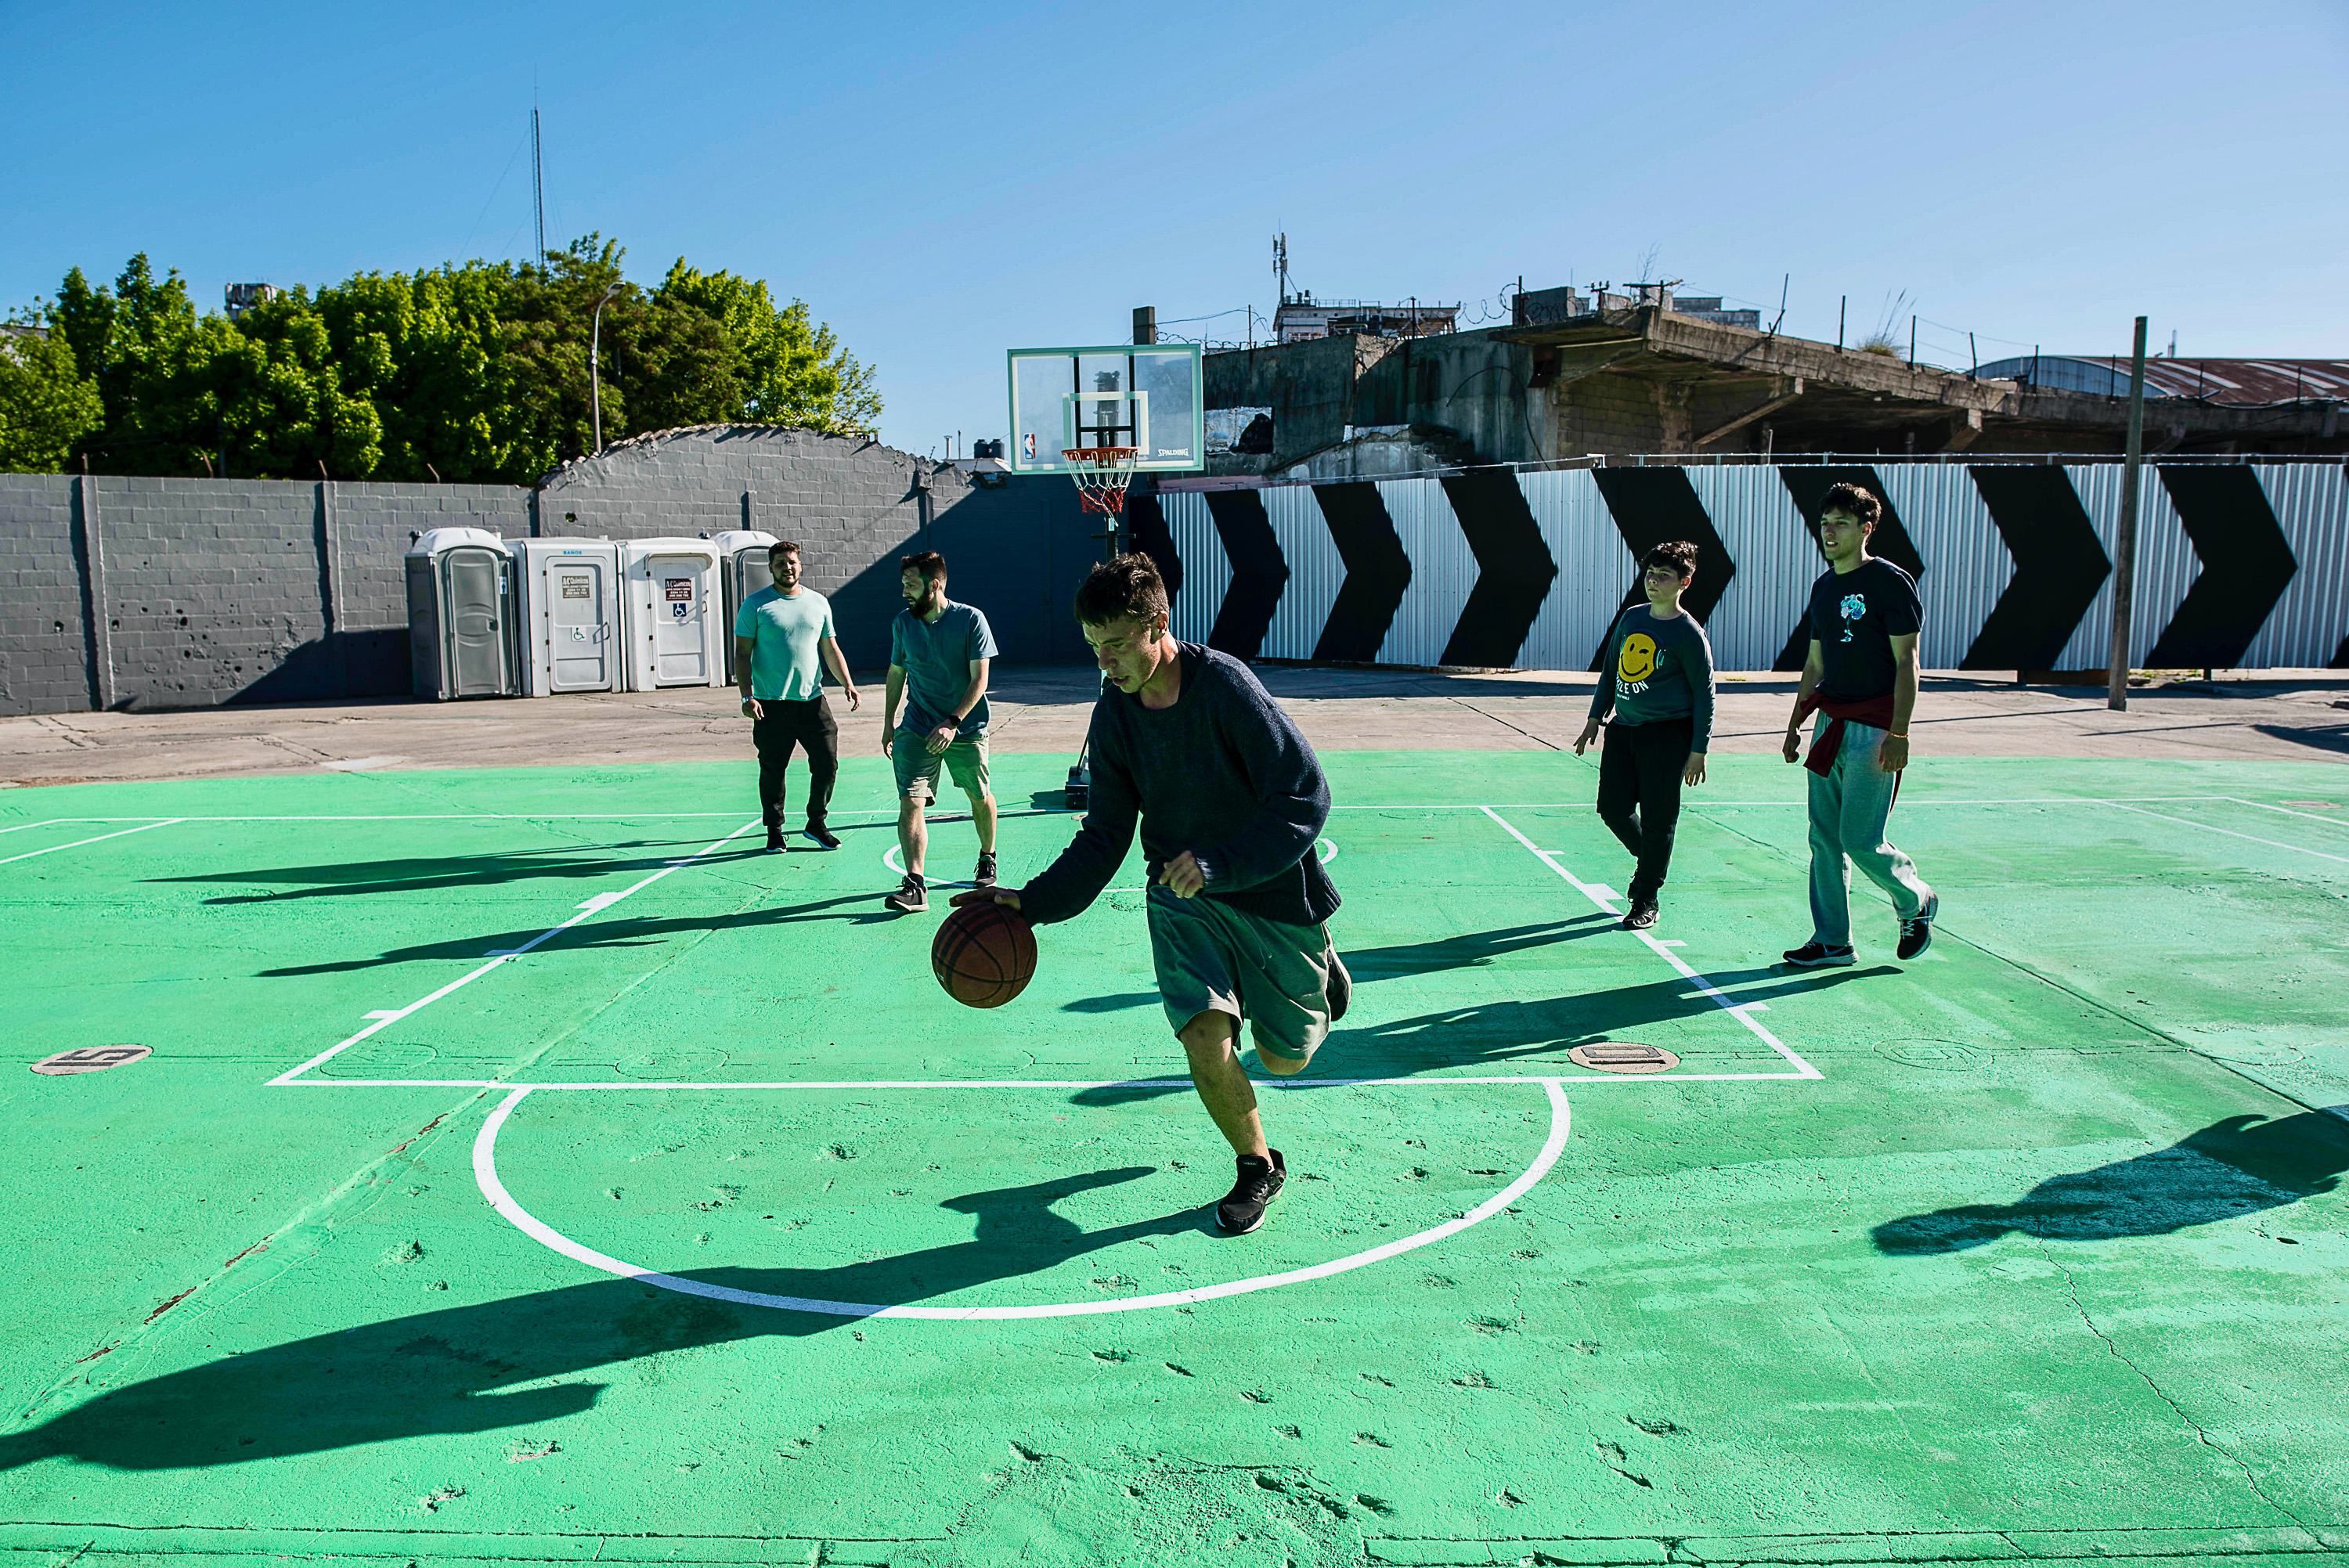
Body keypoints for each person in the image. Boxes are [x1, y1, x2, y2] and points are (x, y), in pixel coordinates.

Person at [953, 553, 1348, 1235]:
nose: (1104, 663)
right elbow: (1106, 831)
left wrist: (1222, 863)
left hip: (1270, 892)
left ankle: (1324, 966)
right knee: (1205, 1038)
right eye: (1093, 647)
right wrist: (1033, 903)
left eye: (1115, 645)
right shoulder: (1115, 712)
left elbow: (1305, 795)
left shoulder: (1226, 687)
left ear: (1159, 625)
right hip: (1179, 897)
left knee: (1286, 1057)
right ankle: (1257, 1164)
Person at [1780, 481, 1938, 967]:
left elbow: (1907, 660)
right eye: (1825, 522)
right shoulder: (1824, 586)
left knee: (1860, 839)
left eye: (1841, 523)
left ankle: (1914, 897)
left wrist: (1900, 731)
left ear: (1865, 528)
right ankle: (1832, 940)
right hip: (1830, 724)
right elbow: (1814, 661)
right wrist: (1795, 723)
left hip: (1875, 727)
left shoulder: (1890, 582)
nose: (1829, 531)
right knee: (1823, 837)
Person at [1574, 539, 1715, 930]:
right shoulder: (1632, 618)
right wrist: (1594, 718)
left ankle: (1646, 896)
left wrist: (1698, 749)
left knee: (1658, 820)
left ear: (1684, 582)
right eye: (1650, 574)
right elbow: (1610, 671)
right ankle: (1650, 860)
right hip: (1623, 730)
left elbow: (1705, 693)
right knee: (1612, 809)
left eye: (1664, 576)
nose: (1653, 581)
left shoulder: (1688, 633)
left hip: (1668, 737)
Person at [882, 551, 999, 913]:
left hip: (964, 728)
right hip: (917, 727)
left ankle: (987, 856)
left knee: (979, 796)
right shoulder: (903, 624)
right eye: (903, 584)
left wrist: (953, 721)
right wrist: (889, 723)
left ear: (935, 585)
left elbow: (980, 679)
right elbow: (896, 675)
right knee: (911, 801)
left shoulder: (970, 620)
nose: (905, 591)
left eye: (912, 584)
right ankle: (915, 885)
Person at [734, 541, 860, 855]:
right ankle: (774, 831)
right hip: (770, 704)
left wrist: (848, 683)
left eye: (791, 562)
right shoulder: (756, 605)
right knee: (773, 770)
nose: (787, 568)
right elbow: (742, 653)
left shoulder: (818, 603)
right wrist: (746, 696)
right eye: (780, 563)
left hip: (812, 702)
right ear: (771, 568)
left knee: (827, 763)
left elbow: (830, 648)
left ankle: (816, 823)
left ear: (799, 565)